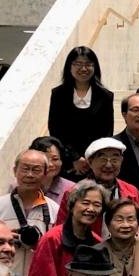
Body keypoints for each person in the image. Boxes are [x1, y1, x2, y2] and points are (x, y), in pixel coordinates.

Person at [0, 148, 60, 276]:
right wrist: (2, 241)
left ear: (46, 174)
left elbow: (58, 252)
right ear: (15, 171)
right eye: (25, 168)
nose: (29, 175)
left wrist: (40, 244)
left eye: (36, 170)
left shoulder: (54, 210)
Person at [30, 180, 106, 276]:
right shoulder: (52, 239)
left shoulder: (97, 242)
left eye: (97, 205)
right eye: (85, 203)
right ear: (72, 205)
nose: (91, 209)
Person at [47, 46, 113, 180]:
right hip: (67, 162)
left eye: (88, 64)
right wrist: (75, 158)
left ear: (95, 67)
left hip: (94, 163)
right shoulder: (58, 94)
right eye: (78, 64)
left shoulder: (105, 96)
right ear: (69, 67)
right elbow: (55, 130)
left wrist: (90, 159)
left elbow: (107, 132)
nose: (83, 68)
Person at [57, 138, 139, 224]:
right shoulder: (73, 192)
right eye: (103, 159)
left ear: (121, 161)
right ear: (90, 162)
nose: (108, 165)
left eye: (114, 160)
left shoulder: (132, 192)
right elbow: (61, 229)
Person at [30, 136, 76, 202]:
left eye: (55, 159)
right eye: (45, 159)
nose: (50, 164)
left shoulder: (72, 189)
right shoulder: (20, 186)